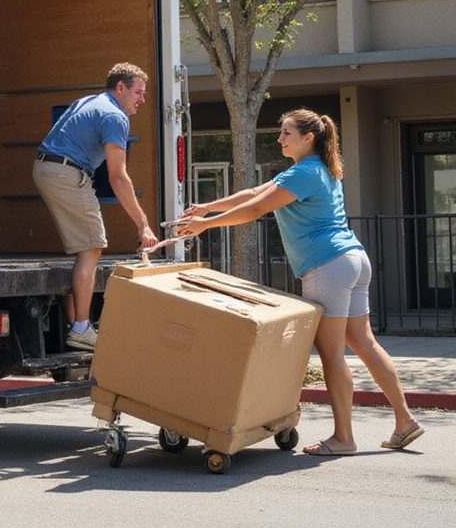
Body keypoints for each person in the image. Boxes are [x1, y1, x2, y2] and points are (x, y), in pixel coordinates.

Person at [176, 109, 423, 456]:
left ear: (308, 137)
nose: (280, 138)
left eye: (286, 133)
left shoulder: (304, 173)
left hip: (327, 265)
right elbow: (252, 193)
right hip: (353, 259)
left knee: (332, 354)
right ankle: (404, 420)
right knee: (363, 342)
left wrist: (206, 225)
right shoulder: (317, 169)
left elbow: (255, 210)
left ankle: (344, 438)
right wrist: (207, 207)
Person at [33, 62, 159, 351]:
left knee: (82, 250)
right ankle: (80, 329)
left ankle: (76, 323)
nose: (141, 99)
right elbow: (117, 177)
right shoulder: (115, 116)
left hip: (49, 168)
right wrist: (142, 224)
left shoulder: (89, 101)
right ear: (120, 88)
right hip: (66, 173)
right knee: (92, 248)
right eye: (138, 92)